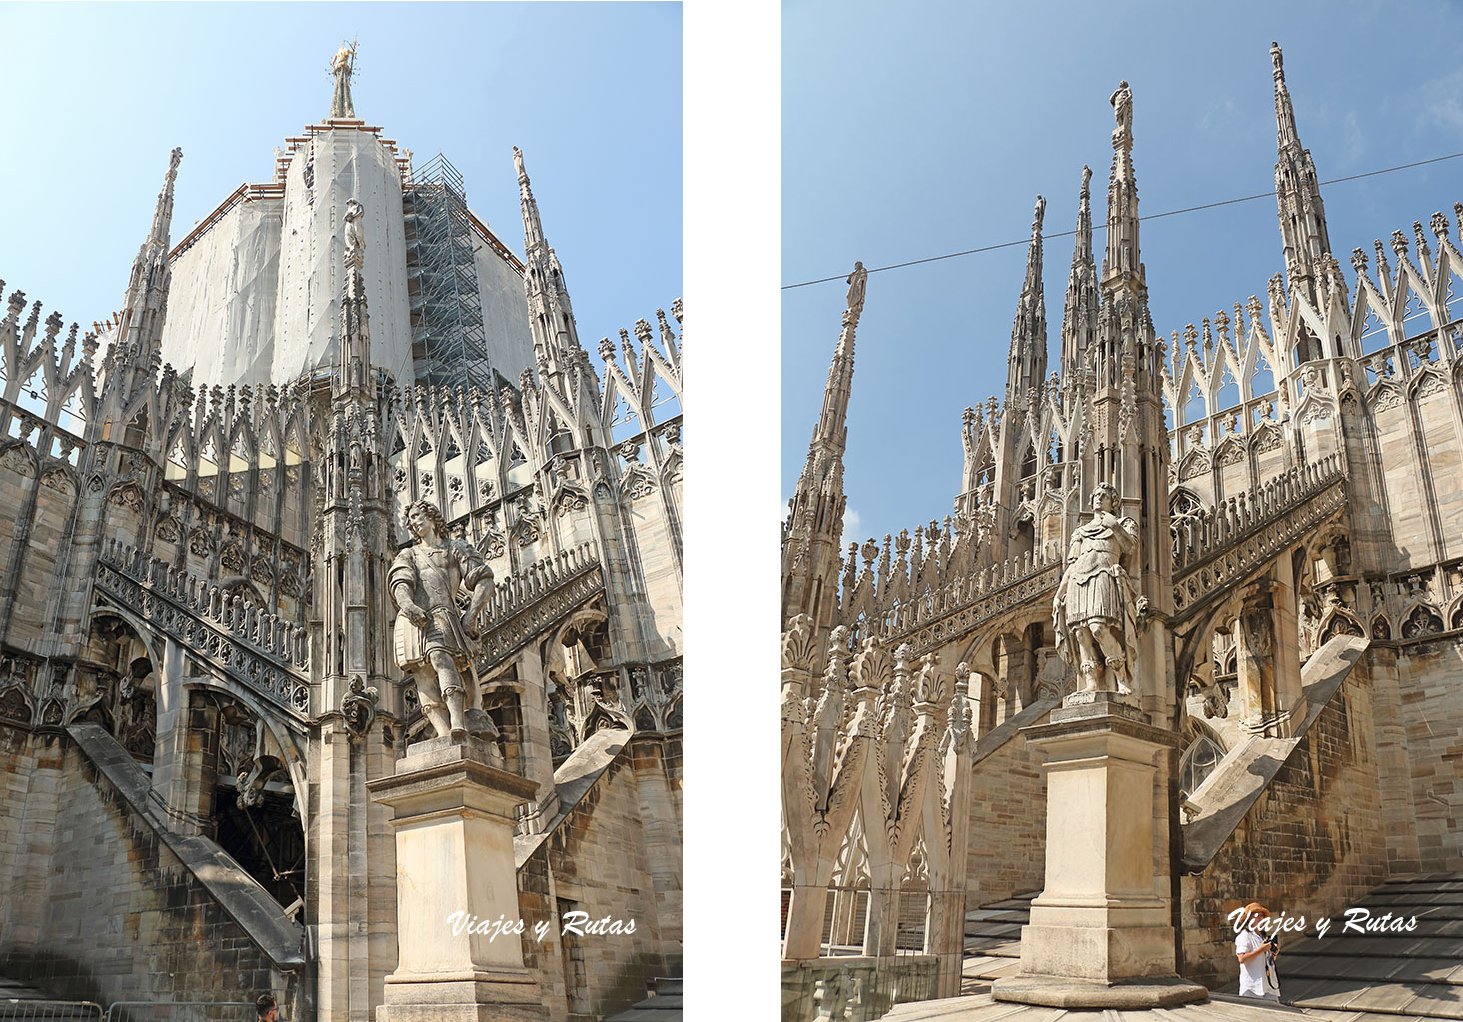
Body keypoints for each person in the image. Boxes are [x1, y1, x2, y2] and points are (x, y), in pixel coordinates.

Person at [390, 499, 499, 742]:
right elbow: (400, 583)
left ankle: (458, 723)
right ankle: (443, 732)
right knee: (423, 677)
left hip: (443, 616)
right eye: (410, 520)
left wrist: (471, 615)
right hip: (413, 620)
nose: (413, 522)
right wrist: (408, 604)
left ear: (432, 517)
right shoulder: (409, 554)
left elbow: (484, 580)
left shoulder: (455, 548)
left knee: (441, 658)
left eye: (417, 516)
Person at [1235, 902, 1281, 1000]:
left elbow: (1266, 961)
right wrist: (1261, 949)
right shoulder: (1244, 936)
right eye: (1256, 915)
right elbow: (1241, 958)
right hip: (1252, 987)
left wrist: (1273, 954)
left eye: (1261, 915)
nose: (1260, 918)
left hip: (1268, 984)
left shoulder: (1262, 936)